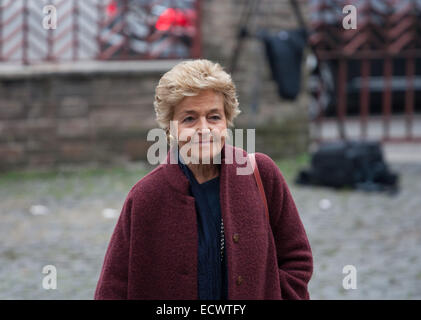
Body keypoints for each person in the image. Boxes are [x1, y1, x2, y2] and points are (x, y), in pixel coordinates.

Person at [94, 59, 313, 300]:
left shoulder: (260, 173)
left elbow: (297, 258)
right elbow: (114, 287)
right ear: (170, 128)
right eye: (189, 119)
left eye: (214, 117)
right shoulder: (147, 195)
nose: (204, 129)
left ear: (227, 121)